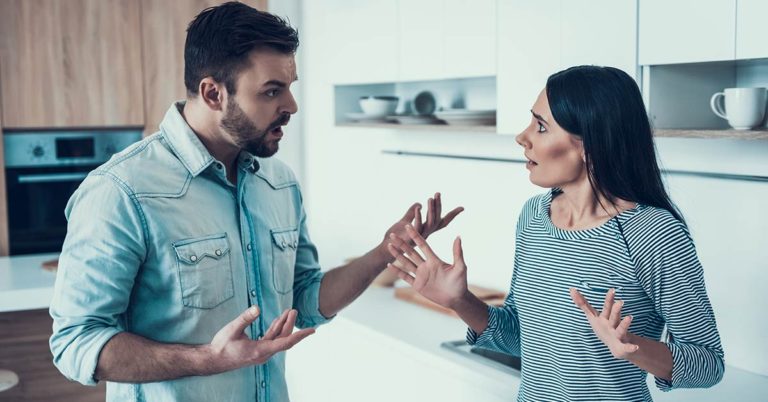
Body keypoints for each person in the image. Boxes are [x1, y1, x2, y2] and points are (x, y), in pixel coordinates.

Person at [48, 3, 462, 401]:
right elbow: (76, 342)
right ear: (213, 93)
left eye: (290, 87)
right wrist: (208, 360)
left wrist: (383, 252)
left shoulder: (279, 183)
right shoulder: (121, 190)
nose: (291, 106)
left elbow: (303, 299)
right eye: (271, 91)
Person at [386, 66, 724, 401]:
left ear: (589, 145)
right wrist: (461, 301)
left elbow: (709, 363)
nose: (522, 137)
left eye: (541, 127)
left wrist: (632, 347)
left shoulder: (654, 233)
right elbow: (520, 337)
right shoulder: (534, 216)